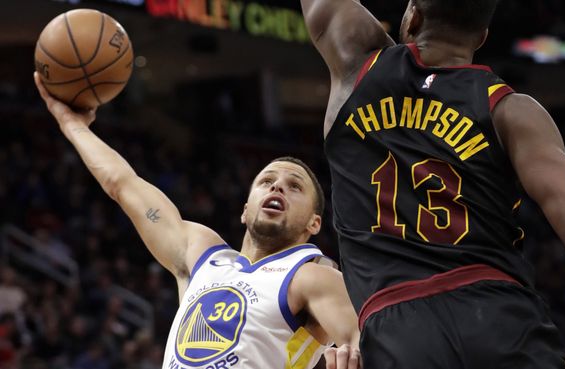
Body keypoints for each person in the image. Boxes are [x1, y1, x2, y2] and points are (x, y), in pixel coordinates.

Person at [299, 0, 565, 368]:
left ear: (412, 17)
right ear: (482, 36)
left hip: (399, 325)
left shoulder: (358, 63)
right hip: (501, 317)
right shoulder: (511, 111)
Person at [33, 72, 361, 369]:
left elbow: (366, 345)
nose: (277, 186)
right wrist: (70, 124)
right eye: (266, 181)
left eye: (295, 187)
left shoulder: (315, 277)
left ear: (314, 224)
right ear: (245, 209)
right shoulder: (203, 255)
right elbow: (124, 184)